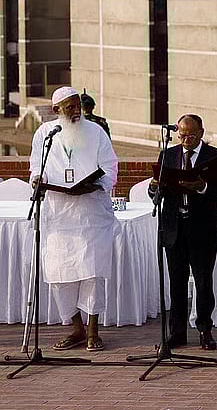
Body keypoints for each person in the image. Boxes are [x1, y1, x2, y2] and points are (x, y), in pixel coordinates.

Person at [28, 86, 118, 352]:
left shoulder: (96, 131)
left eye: (78, 105)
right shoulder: (46, 134)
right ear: (57, 110)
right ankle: (76, 329)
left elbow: (110, 166)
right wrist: (38, 180)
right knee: (60, 274)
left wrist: (97, 183)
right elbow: (36, 166)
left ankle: (93, 331)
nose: (76, 111)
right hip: (59, 217)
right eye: (70, 107)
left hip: (91, 215)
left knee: (92, 273)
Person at [148, 113, 217, 350]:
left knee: (203, 283)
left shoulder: (216, 157)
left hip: (202, 228)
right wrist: (154, 189)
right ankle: (177, 332)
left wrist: (201, 186)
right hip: (174, 227)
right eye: (182, 135)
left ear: (201, 133)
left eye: (191, 136)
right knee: (177, 282)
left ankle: (205, 329)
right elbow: (158, 195)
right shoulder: (168, 155)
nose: (186, 140)